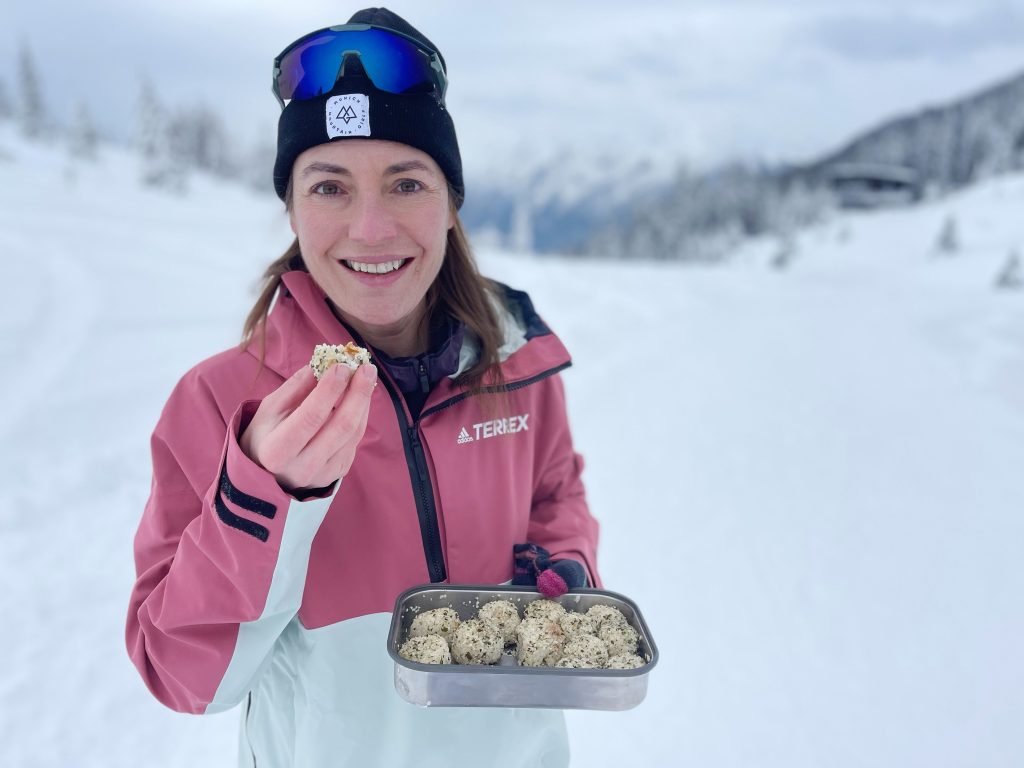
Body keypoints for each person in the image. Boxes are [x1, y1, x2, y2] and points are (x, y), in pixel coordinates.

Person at [125, 7, 601, 767]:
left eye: (407, 182)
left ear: (450, 204)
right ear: (291, 208)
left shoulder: (516, 361)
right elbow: (185, 677)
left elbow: (557, 496)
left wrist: (564, 566)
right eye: (329, 187)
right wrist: (263, 493)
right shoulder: (221, 403)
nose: (371, 229)